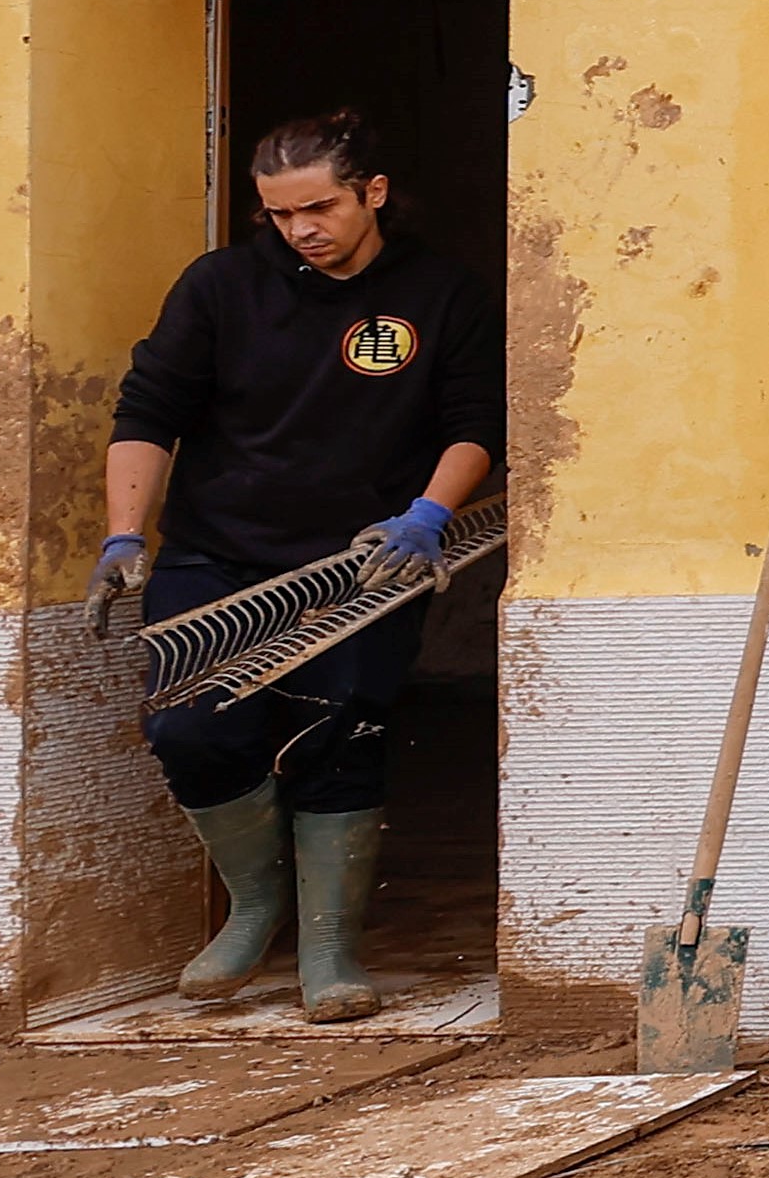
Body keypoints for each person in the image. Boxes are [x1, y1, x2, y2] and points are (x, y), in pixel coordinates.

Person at [97, 109, 502, 1021]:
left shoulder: (442, 294)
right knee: (189, 730)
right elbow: (150, 407)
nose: (300, 230)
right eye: (278, 215)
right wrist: (126, 533)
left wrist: (430, 513)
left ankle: (330, 949)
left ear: (374, 193)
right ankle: (254, 906)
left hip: (365, 567)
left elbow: (476, 419)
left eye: (318, 207)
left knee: (340, 731)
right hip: (216, 554)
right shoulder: (219, 287)